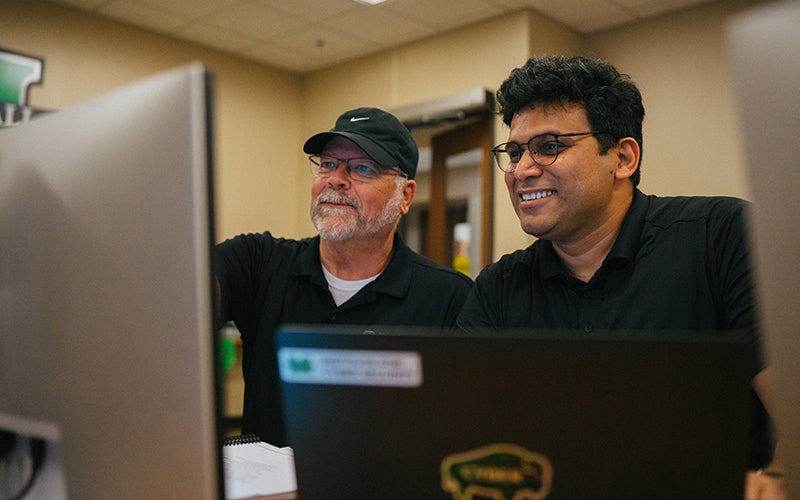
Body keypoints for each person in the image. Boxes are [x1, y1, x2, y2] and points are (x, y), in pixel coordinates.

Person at [456, 55, 785, 499]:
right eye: (514, 152)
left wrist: (776, 480)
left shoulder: (720, 236)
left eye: (549, 146)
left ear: (623, 157)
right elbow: (467, 437)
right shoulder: (497, 289)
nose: (522, 170)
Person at [215, 107, 473, 446]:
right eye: (327, 164)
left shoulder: (448, 297)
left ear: (406, 196)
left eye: (362, 168)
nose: (336, 179)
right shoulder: (258, 262)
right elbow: (171, 296)